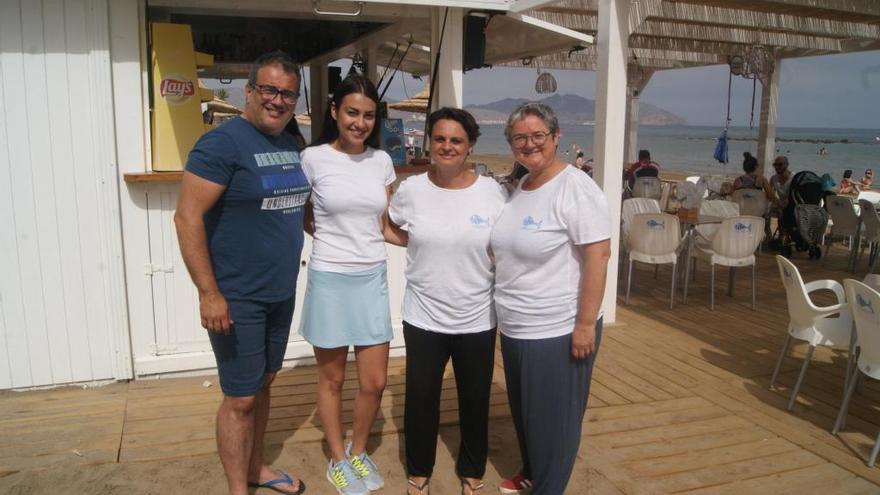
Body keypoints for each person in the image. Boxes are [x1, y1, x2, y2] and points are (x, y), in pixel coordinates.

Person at [175, 51, 309, 495]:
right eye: (268, 89)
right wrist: (208, 292)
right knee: (240, 397)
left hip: (280, 291)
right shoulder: (221, 144)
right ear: (249, 91)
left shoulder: (292, 143)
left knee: (264, 382)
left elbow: (295, 208)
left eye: (287, 93)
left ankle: (256, 468)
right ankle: (238, 488)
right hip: (236, 296)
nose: (277, 100)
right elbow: (187, 218)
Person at [491, 102, 611, 494]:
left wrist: (584, 324)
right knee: (526, 414)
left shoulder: (575, 186)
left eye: (537, 136)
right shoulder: (523, 185)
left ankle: (549, 486)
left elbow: (599, 255)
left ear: (556, 137)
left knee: (554, 419)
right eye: (519, 138)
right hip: (517, 325)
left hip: (558, 327)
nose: (529, 145)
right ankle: (532, 471)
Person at [388, 108, 507, 495]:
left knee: (475, 399)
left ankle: (471, 469)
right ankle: (420, 468)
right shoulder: (411, 190)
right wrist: (417, 243)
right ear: (428, 142)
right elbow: (388, 224)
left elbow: (508, 244)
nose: (447, 146)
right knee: (421, 398)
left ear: (470, 145)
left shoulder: (491, 192)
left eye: (456, 140)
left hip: (477, 316)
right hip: (423, 315)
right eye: (439, 139)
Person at [298, 73, 396, 495]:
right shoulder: (314, 158)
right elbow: (304, 217)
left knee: (374, 381)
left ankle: (359, 451)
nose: (360, 123)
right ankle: (338, 460)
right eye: (352, 112)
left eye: (369, 116)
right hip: (330, 278)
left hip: (372, 276)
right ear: (335, 112)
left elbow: (386, 223)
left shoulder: (382, 161)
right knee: (333, 381)